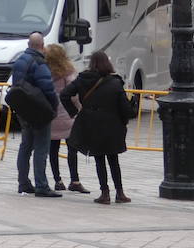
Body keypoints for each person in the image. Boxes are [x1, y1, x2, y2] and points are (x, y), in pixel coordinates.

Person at [60, 49, 135, 204]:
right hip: (112, 125)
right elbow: (125, 108)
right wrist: (128, 115)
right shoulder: (115, 83)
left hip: (91, 124)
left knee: (99, 159)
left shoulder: (82, 79)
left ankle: (105, 193)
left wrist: (74, 111)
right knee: (113, 160)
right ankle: (120, 192)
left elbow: (65, 94)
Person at [11, 31, 61, 198]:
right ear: (42, 45)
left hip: (23, 110)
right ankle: (41, 185)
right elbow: (48, 89)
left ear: (28, 44)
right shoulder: (39, 63)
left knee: (25, 146)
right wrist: (54, 108)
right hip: (38, 111)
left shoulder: (19, 61)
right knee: (41, 148)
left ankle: (23, 183)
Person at [45, 43, 86, 194]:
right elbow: (75, 96)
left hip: (51, 115)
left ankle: (57, 180)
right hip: (68, 115)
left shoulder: (44, 71)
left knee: (53, 149)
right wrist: (79, 109)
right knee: (72, 149)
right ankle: (75, 180)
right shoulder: (68, 72)